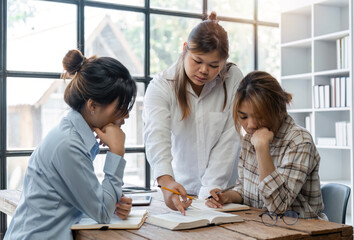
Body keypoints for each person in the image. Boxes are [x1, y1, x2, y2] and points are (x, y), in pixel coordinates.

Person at [4, 49, 137, 240]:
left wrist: (111, 200)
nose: (126, 116)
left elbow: (84, 201)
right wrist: (117, 152)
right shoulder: (69, 144)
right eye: (121, 107)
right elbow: (102, 213)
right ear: (92, 106)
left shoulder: (71, 134)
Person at [143, 12, 243, 214]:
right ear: (184, 50)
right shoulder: (161, 86)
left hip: (222, 195)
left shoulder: (232, 78)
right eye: (197, 61)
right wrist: (166, 182)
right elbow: (157, 136)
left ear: (224, 62)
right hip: (180, 192)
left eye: (214, 65)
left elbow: (229, 138)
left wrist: (210, 192)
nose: (204, 70)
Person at [206, 71, 326, 220]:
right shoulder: (250, 138)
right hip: (261, 225)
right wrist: (227, 197)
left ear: (279, 110)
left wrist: (262, 149)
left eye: (259, 117)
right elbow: (245, 190)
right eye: (243, 117)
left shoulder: (299, 141)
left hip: (301, 230)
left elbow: (277, 207)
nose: (250, 125)